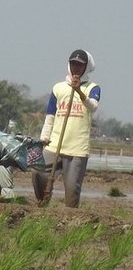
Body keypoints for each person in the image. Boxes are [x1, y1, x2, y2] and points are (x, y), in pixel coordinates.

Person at [32, 49, 101, 208]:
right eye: (73, 64)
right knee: (38, 172)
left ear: (86, 67)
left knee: (72, 189)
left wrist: (79, 92)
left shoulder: (92, 88)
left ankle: (71, 218)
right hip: (54, 144)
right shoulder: (59, 88)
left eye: (80, 65)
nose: (76, 68)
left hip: (77, 148)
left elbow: (93, 107)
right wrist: (44, 137)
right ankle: (43, 203)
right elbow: (50, 115)